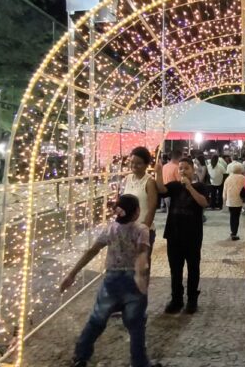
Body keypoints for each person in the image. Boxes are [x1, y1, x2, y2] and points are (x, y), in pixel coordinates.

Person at [60, 195, 157, 367]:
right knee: (136, 324)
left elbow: (92, 251)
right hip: (132, 281)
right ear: (136, 212)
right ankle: (139, 362)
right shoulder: (142, 229)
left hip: (111, 280)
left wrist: (72, 273)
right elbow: (143, 254)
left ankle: (81, 356)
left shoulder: (110, 229)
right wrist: (142, 277)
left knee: (97, 320)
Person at [155, 156, 209, 314]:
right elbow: (161, 190)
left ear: (193, 169)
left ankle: (192, 299)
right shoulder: (175, 186)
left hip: (192, 235)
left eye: (186, 168)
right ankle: (176, 299)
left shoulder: (200, 186)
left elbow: (204, 203)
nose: (183, 171)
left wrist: (190, 188)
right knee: (175, 269)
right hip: (174, 233)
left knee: (193, 267)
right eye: (180, 168)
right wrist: (158, 172)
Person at [121, 147, 159, 248]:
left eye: (139, 163)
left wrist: (143, 231)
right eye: (132, 162)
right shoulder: (127, 179)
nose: (134, 165)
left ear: (146, 165)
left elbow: (152, 209)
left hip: (143, 231)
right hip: (127, 230)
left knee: (142, 262)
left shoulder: (149, 182)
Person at [223, 162, 245, 240]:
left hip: (230, 200)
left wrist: (224, 199)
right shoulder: (243, 178)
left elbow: (225, 190)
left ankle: (232, 232)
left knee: (232, 216)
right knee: (237, 217)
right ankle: (234, 233)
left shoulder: (228, 178)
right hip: (239, 200)